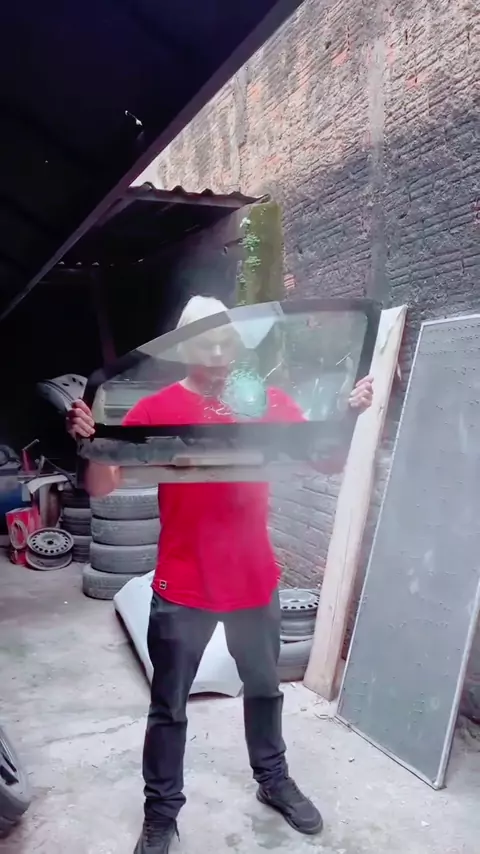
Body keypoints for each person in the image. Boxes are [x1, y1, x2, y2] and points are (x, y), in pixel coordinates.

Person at [67, 296, 373, 854]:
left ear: (235, 346)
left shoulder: (265, 402)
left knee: (264, 689)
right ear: (184, 349)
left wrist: (350, 414)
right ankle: (161, 813)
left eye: (224, 341)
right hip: (183, 583)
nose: (215, 352)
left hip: (253, 578)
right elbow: (103, 487)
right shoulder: (155, 408)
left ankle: (273, 780)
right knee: (169, 706)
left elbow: (325, 460)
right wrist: (91, 442)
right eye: (204, 342)